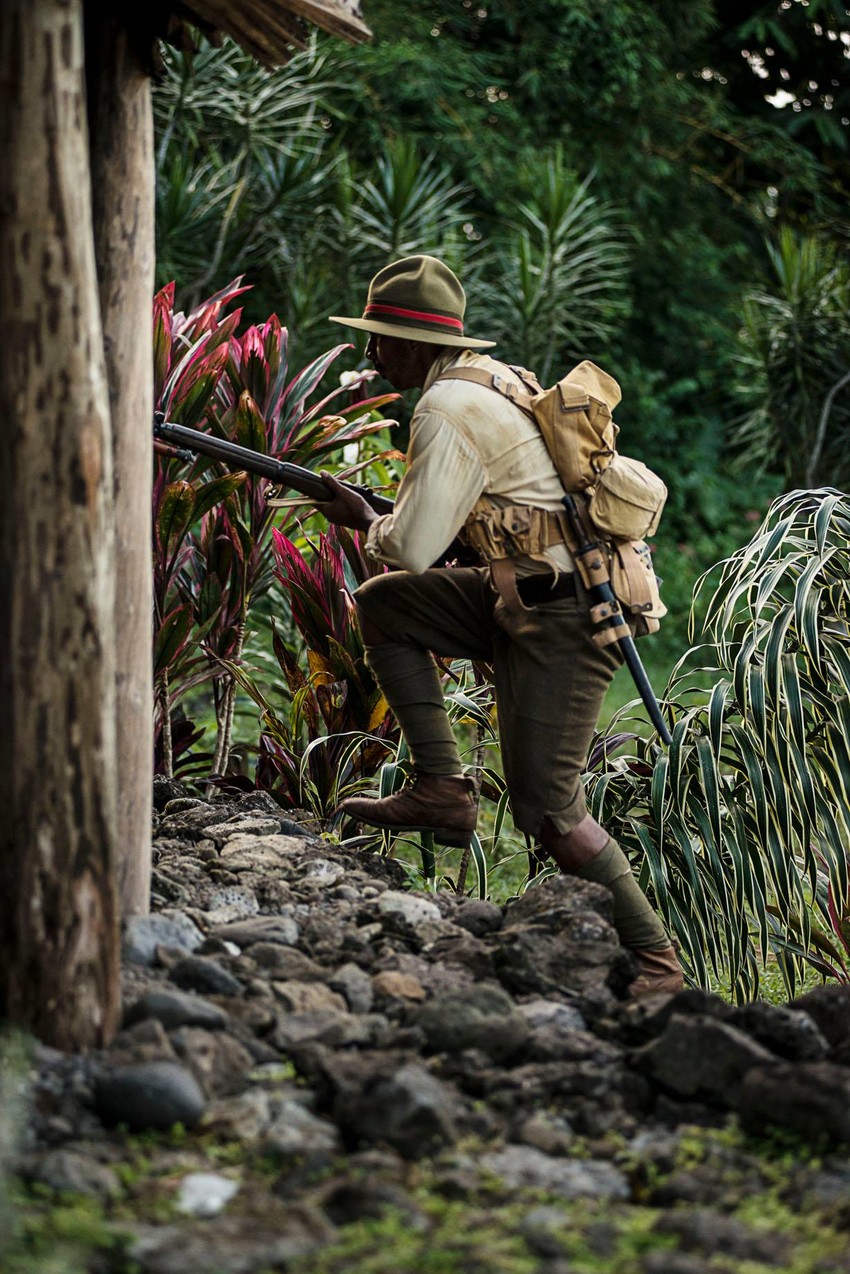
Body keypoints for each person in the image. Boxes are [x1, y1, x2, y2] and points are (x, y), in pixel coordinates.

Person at [317, 254, 683, 997]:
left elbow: (414, 544)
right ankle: (443, 790)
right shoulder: (497, 381)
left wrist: (366, 521)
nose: (372, 353)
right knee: (387, 604)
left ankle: (657, 965)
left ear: (413, 344)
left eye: (380, 338)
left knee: (548, 810)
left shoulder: (444, 407)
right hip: (528, 590)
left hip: (566, 612)